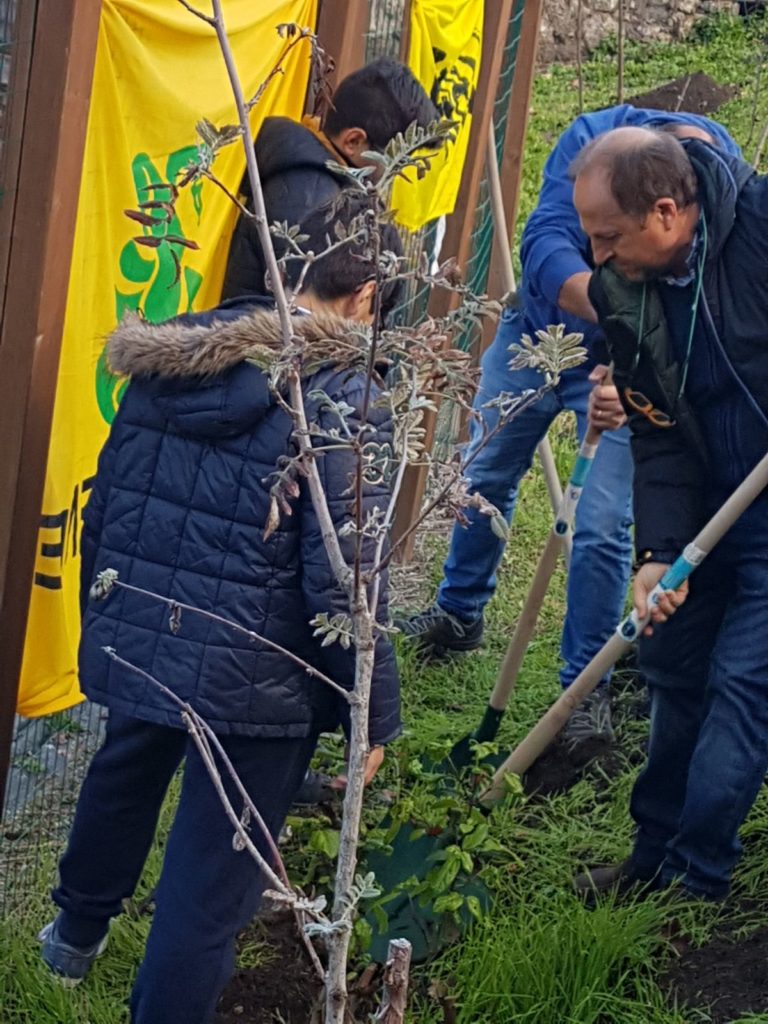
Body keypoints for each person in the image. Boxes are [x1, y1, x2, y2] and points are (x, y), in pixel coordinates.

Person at [38, 195, 402, 1023]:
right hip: (256, 676)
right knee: (210, 880)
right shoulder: (338, 395)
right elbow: (346, 579)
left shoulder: (170, 359)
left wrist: (118, 615)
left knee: (123, 774)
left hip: (147, 630)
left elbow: (107, 507)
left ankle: (71, 938)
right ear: (367, 294)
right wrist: (372, 716)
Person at [397, 105, 740, 745]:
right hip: (540, 335)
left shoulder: (712, 177)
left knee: (603, 521)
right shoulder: (588, 142)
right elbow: (546, 244)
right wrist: (617, 316)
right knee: (482, 472)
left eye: (613, 236)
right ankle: (458, 609)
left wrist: (633, 359)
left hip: (625, 371)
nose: (603, 247)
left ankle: (585, 691)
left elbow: (699, 297)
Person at [571, 126, 768, 901]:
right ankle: (652, 854)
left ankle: (697, 875)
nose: (596, 258)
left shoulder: (759, 227)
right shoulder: (624, 292)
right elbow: (656, 434)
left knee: (743, 684)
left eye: (607, 237)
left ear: (664, 213)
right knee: (673, 665)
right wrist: (658, 552)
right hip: (706, 502)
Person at [221, 56, 437, 301]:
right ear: (353, 141)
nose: (397, 174)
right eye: (395, 161)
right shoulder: (310, 200)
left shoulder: (312, 177)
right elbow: (297, 316)